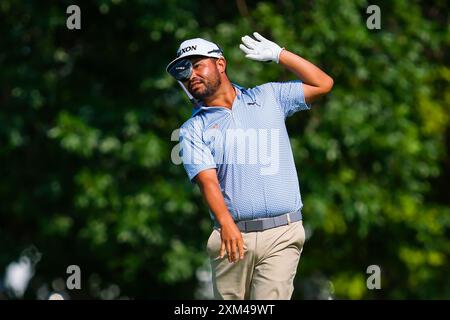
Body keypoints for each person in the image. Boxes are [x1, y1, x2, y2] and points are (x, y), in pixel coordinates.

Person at [166, 32, 333, 300]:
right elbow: (207, 181)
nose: (190, 75)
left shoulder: (268, 97)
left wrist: (280, 55)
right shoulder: (192, 130)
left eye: (197, 65)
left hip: (284, 233)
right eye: (184, 71)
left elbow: (323, 83)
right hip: (232, 237)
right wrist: (226, 224)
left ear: (220, 64)